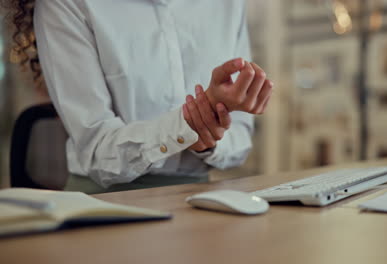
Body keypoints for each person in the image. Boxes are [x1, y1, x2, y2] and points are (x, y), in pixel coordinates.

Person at [1, 0, 273, 193]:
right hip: (109, 204)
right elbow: (97, 150)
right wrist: (188, 125)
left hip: (199, 201)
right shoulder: (66, 4)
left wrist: (207, 136)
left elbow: (239, 138)